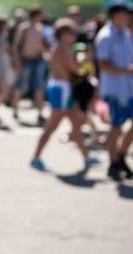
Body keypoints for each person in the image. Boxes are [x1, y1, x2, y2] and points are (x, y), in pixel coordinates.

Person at [30, 18, 101, 171]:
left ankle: (86, 157)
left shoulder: (62, 48)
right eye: (71, 32)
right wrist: (84, 61)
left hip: (63, 89)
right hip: (61, 90)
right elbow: (75, 70)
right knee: (52, 126)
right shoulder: (62, 49)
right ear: (63, 34)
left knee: (76, 125)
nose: (74, 35)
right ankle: (36, 157)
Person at [94, 0, 133, 181]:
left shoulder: (126, 34)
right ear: (115, 15)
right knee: (116, 127)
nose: (127, 17)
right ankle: (113, 163)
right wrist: (126, 70)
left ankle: (121, 156)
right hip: (114, 90)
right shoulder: (106, 36)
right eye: (124, 14)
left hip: (128, 87)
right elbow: (103, 64)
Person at [12, 6, 50, 125]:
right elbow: (16, 46)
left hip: (38, 60)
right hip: (25, 61)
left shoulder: (41, 29)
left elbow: (45, 45)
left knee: (39, 88)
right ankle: (15, 109)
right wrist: (17, 62)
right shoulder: (24, 28)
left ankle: (40, 113)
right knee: (21, 87)